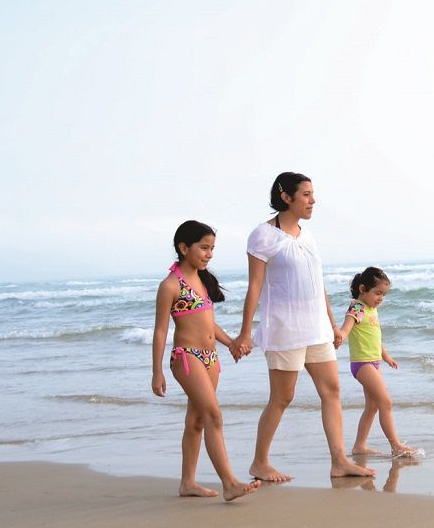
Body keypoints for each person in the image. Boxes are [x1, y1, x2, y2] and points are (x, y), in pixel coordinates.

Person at [232, 173, 375, 482]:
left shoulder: (307, 236)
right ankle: (259, 463)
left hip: (316, 328)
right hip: (284, 329)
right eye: (307, 194)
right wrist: (245, 332)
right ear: (286, 197)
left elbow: (317, 285)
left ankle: (339, 461)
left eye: (313, 194)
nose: (313, 200)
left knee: (332, 390)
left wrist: (333, 324)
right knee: (282, 398)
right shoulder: (263, 236)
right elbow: (254, 286)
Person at [151, 220, 260, 501]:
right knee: (214, 415)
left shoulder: (202, 280)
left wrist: (232, 344)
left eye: (212, 249)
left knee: (197, 420)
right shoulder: (170, 286)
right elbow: (161, 330)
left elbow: (208, 325)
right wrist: (157, 372)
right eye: (204, 248)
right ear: (183, 247)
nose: (209, 254)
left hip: (210, 359)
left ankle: (187, 483)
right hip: (186, 358)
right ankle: (230, 483)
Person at [337, 267, 419, 458]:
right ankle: (396, 445)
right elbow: (346, 329)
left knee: (372, 406)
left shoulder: (372, 309)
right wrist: (339, 336)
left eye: (384, 294)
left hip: (374, 363)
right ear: (363, 288)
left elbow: (375, 337)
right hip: (362, 365)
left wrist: (386, 356)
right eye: (378, 293)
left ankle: (359, 446)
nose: (381, 297)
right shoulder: (357, 307)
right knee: (386, 402)